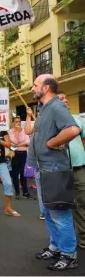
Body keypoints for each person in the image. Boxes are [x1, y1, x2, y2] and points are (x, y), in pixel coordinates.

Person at [27, 74, 80, 271]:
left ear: (46, 87)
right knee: (48, 212)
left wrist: (52, 142)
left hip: (54, 168)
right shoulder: (43, 108)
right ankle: (56, 247)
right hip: (43, 168)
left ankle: (69, 255)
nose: (33, 88)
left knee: (59, 214)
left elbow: (73, 129)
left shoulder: (57, 106)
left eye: (35, 85)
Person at [57, 90, 85, 250]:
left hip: (80, 167)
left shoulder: (78, 119)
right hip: (60, 170)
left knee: (82, 202)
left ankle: (83, 238)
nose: (66, 100)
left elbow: (83, 139)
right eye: (62, 99)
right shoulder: (51, 121)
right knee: (63, 205)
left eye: (66, 98)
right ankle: (66, 241)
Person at [8, 116, 32, 199]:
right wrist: (17, 133)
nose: (18, 123)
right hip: (15, 154)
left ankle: (25, 192)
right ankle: (17, 192)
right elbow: (14, 141)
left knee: (23, 173)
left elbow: (28, 142)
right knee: (15, 174)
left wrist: (17, 145)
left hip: (23, 153)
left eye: (19, 122)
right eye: (16, 122)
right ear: (13, 123)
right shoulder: (10, 132)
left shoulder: (25, 130)